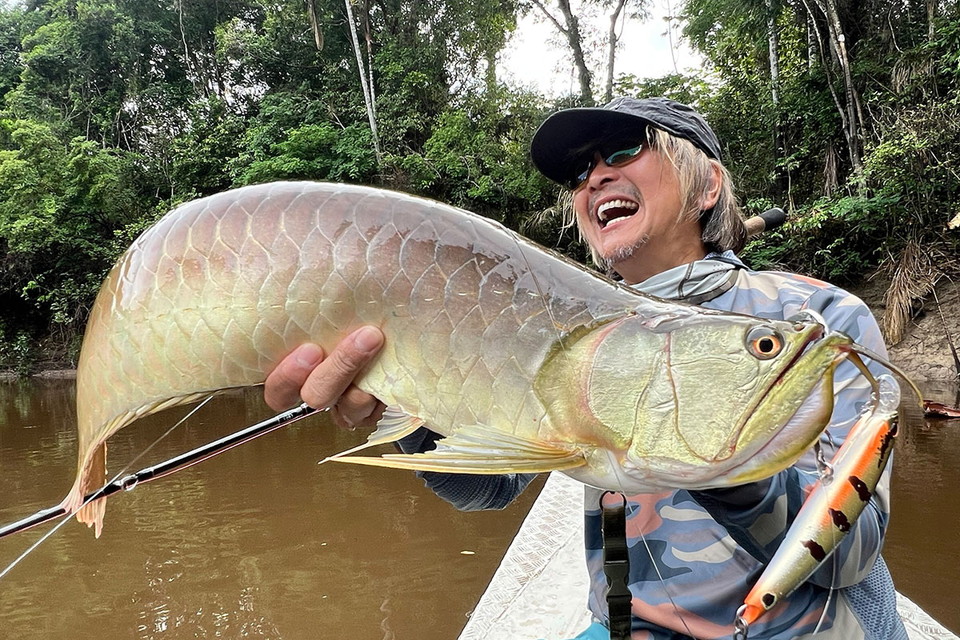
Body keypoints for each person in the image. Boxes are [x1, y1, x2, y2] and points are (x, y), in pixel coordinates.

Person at [264, 97, 907, 639]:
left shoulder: (813, 318)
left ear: (708, 185)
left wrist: (717, 456)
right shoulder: (544, 324)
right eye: (579, 172)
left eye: (624, 151)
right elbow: (488, 487)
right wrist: (408, 406)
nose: (595, 177)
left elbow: (848, 551)